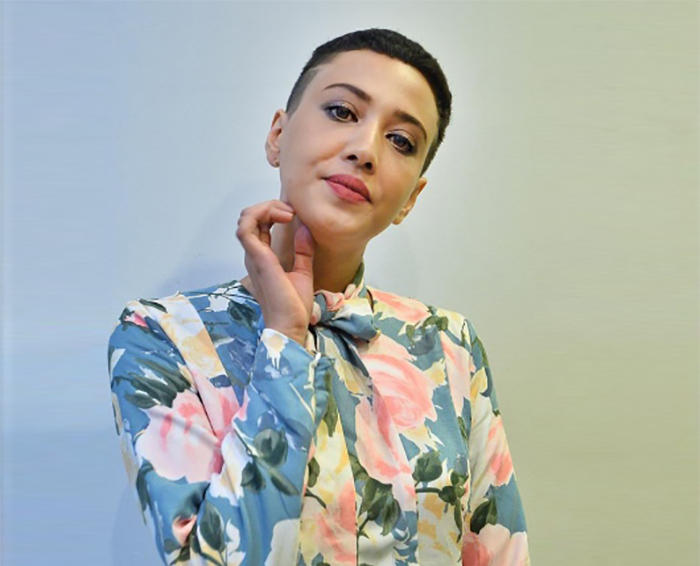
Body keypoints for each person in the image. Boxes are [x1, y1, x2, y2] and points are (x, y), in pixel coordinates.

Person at [108, 28, 530, 566]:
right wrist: (285, 339)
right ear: (277, 135)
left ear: (411, 198)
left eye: (402, 141)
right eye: (342, 111)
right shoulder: (158, 337)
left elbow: (500, 553)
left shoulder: (450, 346)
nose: (365, 150)